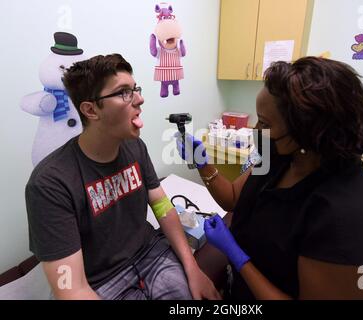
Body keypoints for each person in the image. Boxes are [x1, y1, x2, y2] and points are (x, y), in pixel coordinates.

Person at [176, 57, 363, 300]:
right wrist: (203, 163)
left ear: (307, 132)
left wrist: (237, 256)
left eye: (265, 123)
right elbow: (234, 197)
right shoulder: (281, 156)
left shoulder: (348, 224)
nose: (255, 130)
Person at [25, 54, 220, 300]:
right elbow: (72, 288)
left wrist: (193, 268)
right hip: (101, 282)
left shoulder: (134, 148)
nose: (140, 98)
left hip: (152, 256)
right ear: (91, 110)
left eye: (135, 89)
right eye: (124, 92)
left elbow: (162, 206)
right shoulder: (50, 183)